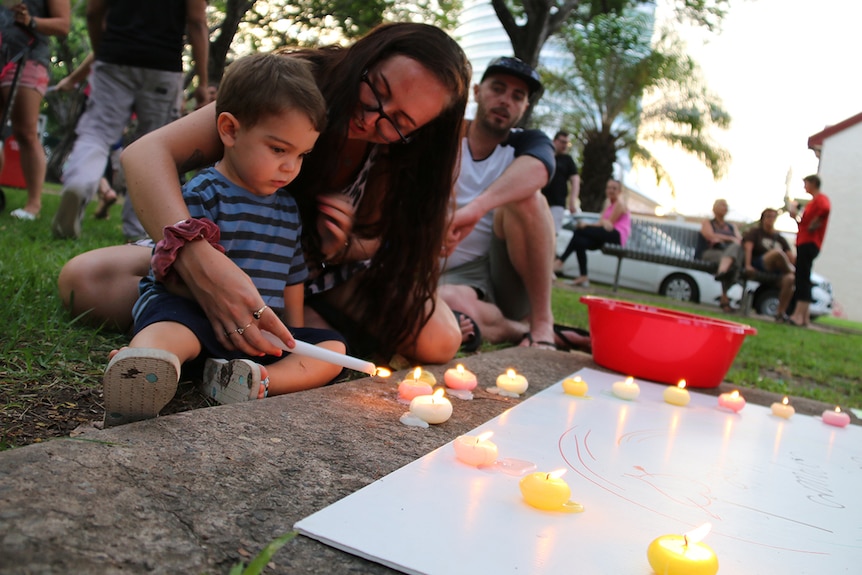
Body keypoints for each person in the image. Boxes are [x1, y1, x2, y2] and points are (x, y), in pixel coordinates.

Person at [57, 22, 471, 366]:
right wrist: (196, 258)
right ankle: (217, 317)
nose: (371, 118)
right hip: (230, 245)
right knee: (84, 281)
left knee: (438, 340)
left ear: (420, 132)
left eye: (398, 122)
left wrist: (343, 246)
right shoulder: (297, 85)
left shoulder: (407, 156)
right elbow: (147, 154)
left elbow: (388, 244)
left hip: (317, 271)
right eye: (377, 91)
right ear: (366, 57)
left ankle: (299, 319)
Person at [102, 53, 347, 427]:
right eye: (279, 149)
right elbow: (170, 269)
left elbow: (292, 277)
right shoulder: (204, 192)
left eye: (302, 155)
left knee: (332, 349)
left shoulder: (288, 209)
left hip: (254, 337)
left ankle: (255, 381)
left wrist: (291, 336)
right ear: (230, 130)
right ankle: (145, 365)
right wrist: (211, 307)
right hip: (195, 315)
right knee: (171, 329)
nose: (290, 167)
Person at [51, 0, 210, 240]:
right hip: (163, 64)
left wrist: (103, 52)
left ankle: (80, 183)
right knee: (154, 147)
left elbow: (94, 12)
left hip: (114, 57)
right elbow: (197, 21)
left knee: (96, 134)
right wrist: (203, 81)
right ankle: (138, 229)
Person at [436, 56, 561, 351]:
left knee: (527, 198)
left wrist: (476, 209)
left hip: (491, 271)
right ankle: (517, 329)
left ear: (525, 107)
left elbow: (540, 170)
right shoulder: (445, 134)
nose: (506, 100)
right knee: (447, 301)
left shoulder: (527, 142)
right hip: (433, 270)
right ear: (478, 92)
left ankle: (542, 323)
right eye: (498, 89)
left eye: (517, 96)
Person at [1, 0, 70, 220]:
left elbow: (63, 25)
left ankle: (33, 204)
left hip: (26, 57)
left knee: (25, 131)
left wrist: (31, 21)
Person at [554, 179, 630, 288]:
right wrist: (603, 222)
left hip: (616, 235)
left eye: (614, 188)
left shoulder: (620, 204)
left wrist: (587, 225)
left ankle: (561, 261)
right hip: (605, 234)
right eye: (609, 187)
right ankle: (583, 275)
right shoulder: (608, 204)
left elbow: (609, 224)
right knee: (580, 242)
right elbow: (602, 223)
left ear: (619, 191)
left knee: (580, 230)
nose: (611, 190)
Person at [787, 175, 830, 327]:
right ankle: (803, 317)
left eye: (806, 184)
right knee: (803, 277)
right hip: (805, 241)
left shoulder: (820, 199)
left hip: (809, 243)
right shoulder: (813, 202)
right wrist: (795, 218)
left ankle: (798, 315)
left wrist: (816, 223)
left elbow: (825, 209)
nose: (805, 187)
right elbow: (804, 226)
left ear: (813, 184)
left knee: (802, 279)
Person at [742, 207, 795, 320]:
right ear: (762, 218)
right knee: (777, 253)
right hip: (760, 264)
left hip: (778, 269)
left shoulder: (780, 238)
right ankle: (792, 271)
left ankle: (780, 312)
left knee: (790, 279)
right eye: (768, 216)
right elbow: (748, 248)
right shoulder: (756, 233)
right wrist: (747, 265)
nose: (771, 219)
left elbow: (790, 256)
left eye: (773, 217)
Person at [695, 198, 743, 312]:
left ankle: (722, 275)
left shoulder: (732, 226)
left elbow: (739, 241)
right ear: (714, 208)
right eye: (722, 205)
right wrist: (729, 238)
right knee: (734, 264)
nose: (725, 208)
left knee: (732, 259)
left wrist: (722, 238)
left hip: (727, 255)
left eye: (726, 206)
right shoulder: (708, 223)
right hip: (710, 253)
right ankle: (723, 276)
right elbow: (709, 236)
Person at [541, 130, 579, 236]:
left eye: (567, 143)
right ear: (555, 141)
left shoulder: (568, 160)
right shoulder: (545, 154)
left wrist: (572, 201)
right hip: (540, 199)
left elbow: (575, 180)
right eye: (562, 142)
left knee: (551, 233)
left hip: (557, 203)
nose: (565, 145)